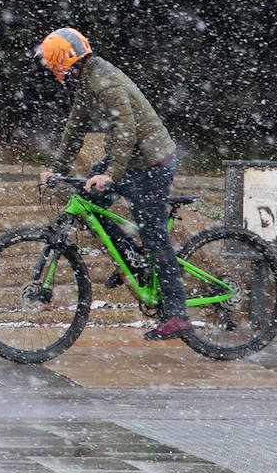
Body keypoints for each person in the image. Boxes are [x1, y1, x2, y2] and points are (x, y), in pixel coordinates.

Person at [34, 27, 191, 341]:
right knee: (87, 199)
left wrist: (111, 174)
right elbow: (74, 129)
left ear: (65, 64)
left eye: (54, 68)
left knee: (155, 235)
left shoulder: (105, 81)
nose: (54, 74)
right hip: (129, 158)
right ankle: (134, 259)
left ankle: (178, 314)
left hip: (151, 161)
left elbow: (125, 129)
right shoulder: (85, 81)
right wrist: (57, 169)